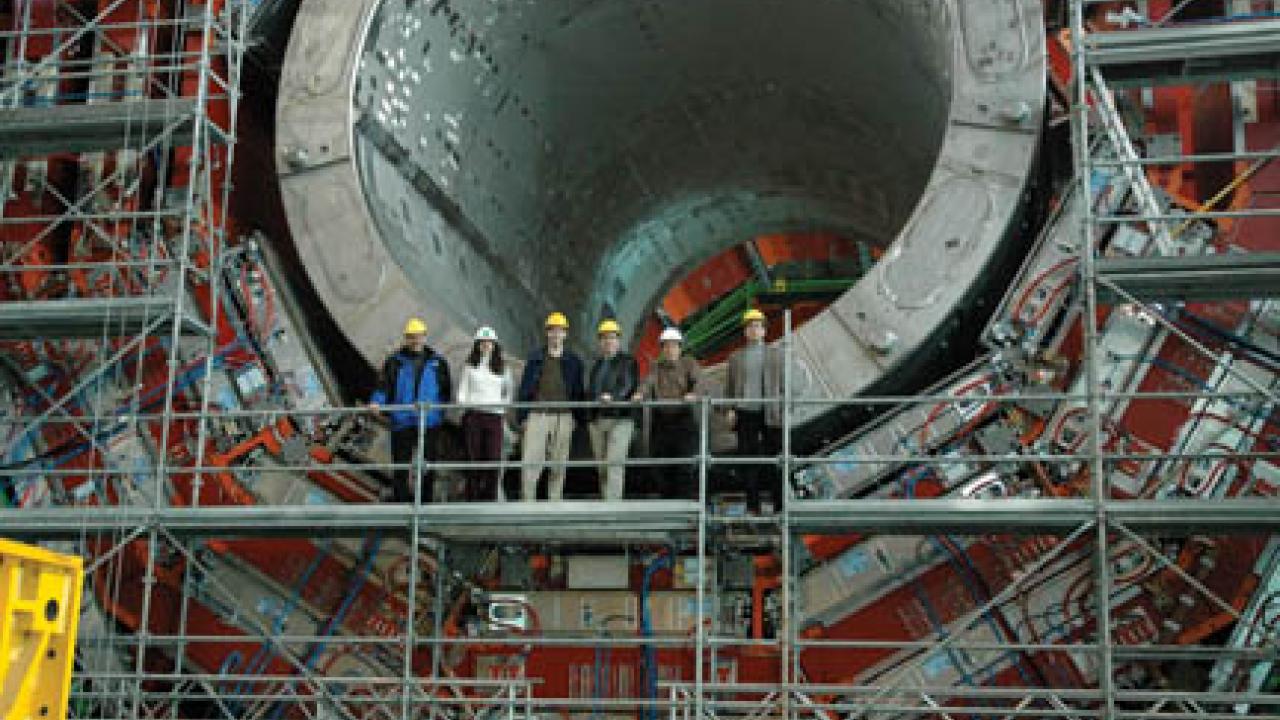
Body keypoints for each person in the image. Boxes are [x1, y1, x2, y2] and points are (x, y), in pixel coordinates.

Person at [368, 317, 452, 502]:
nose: (416, 340)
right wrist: (376, 402)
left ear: (425, 337)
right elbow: (384, 385)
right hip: (402, 420)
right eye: (411, 337)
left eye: (419, 336)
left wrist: (438, 415)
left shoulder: (438, 363)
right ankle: (402, 503)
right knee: (400, 466)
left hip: (428, 421)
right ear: (406, 338)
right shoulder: (394, 362)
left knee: (427, 465)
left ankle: (425, 503)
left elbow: (446, 391)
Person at [516, 312, 586, 501]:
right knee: (531, 462)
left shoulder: (574, 361)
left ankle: (554, 502)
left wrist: (577, 417)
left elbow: (579, 392)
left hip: (563, 416)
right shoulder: (535, 358)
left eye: (559, 331)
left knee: (559, 463)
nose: (556, 335)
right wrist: (522, 416)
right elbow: (524, 389)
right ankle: (527, 503)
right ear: (547, 333)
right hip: (538, 415)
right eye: (552, 331)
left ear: (565, 334)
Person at [722, 308, 785, 513]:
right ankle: (753, 506)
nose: (753, 330)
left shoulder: (776, 354)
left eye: (757, 326)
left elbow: (785, 386)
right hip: (745, 413)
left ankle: (780, 506)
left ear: (764, 331)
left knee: (776, 460)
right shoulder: (736, 358)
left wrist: (783, 407)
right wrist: (730, 409)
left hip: (771, 413)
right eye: (750, 326)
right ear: (745, 332)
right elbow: (729, 389)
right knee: (748, 462)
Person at [632, 327, 704, 499]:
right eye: (666, 346)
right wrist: (640, 394)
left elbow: (700, 381)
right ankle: (668, 503)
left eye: (673, 346)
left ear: (680, 348)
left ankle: (684, 504)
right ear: (662, 349)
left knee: (685, 465)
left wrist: (694, 394)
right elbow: (648, 383)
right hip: (661, 423)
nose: (670, 349)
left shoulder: (689, 363)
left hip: (683, 422)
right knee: (661, 466)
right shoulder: (656, 368)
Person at [456, 326, 512, 502]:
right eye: (482, 342)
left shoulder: (503, 367)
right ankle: (471, 498)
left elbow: (508, 393)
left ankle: (490, 498)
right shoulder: (470, 365)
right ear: (477, 345)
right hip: (473, 416)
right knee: (473, 458)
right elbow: (462, 392)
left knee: (493, 458)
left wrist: (500, 407)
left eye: (489, 342)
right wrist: (467, 404)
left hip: (494, 418)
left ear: (494, 345)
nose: (486, 345)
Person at [587, 319, 639, 501]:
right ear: (600, 342)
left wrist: (613, 398)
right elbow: (590, 391)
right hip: (598, 420)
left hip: (620, 418)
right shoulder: (597, 366)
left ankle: (613, 507)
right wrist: (589, 418)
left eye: (612, 338)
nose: (608, 341)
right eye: (605, 338)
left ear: (618, 341)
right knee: (602, 465)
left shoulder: (628, 362)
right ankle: (606, 502)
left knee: (614, 462)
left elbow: (628, 384)